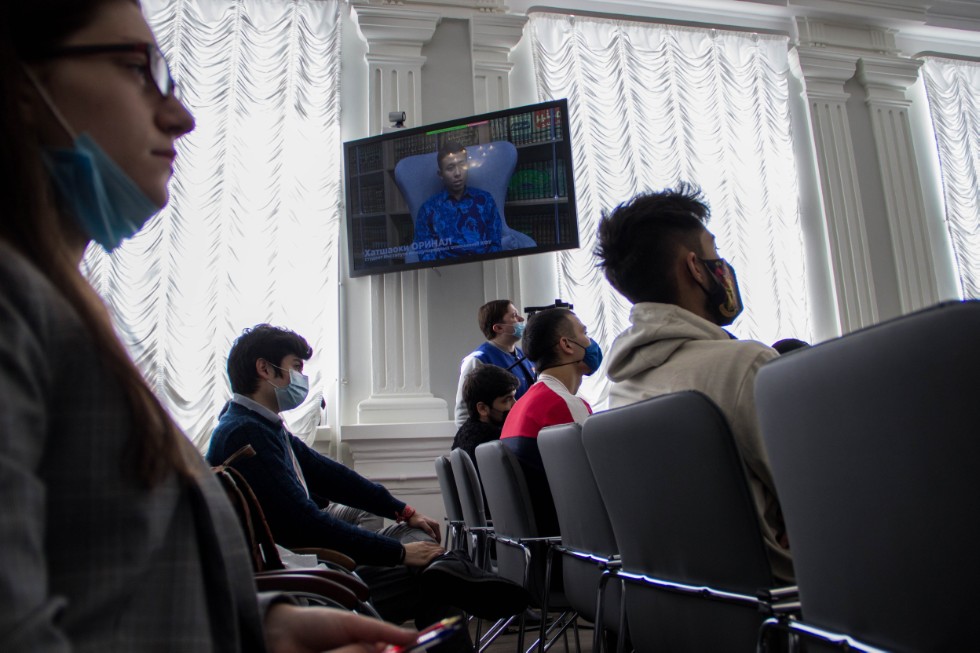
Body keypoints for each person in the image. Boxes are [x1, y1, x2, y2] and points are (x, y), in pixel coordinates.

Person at [0, 1, 420, 651]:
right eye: (137, 68)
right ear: (21, 84)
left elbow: (107, 583)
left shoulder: (61, 305)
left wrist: (263, 628)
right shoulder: (15, 302)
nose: (181, 115)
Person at [206, 324, 528, 637]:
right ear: (265, 368)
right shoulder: (245, 432)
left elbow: (331, 475)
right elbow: (306, 523)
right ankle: (464, 577)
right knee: (433, 578)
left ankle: (459, 572)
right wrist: (398, 554)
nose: (302, 378)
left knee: (419, 541)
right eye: (296, 367)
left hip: (309, 563)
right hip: (300, 578)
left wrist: (402, 510)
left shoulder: (261, 424)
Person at [594, 183, 793, 583]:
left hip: (670, 604)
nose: (722, 266)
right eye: (713, 252)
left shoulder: (618, 389)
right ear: (695, 268)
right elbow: (819, 499)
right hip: (777, 601)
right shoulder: (744, 366)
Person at [499, 308, 600, 535]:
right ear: (567, 345)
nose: (590, 341)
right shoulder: (563, 404)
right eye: (584, 333)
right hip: (569, 536)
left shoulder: (521, 405)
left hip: (538, 539)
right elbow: (595, 489)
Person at [411, 140, 504, 261]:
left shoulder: (485, 200)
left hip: (484, 266)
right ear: (440, 174)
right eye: (450, 168)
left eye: (462, 165)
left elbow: (495, 243)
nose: (458, 173)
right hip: (445, 270)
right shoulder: (427, 210)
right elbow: (425, 253)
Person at [453, 299, 536, 427]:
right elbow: (463, 413)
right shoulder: (478, 359)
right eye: (514, 316)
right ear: (498, 328)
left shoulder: (525, 355)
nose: (521, 319)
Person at [451, 364, 519, 477]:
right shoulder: (494, 442)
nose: (515, 404)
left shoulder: (463, 433)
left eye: (514, 397)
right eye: (507, 400)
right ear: (482, 408)